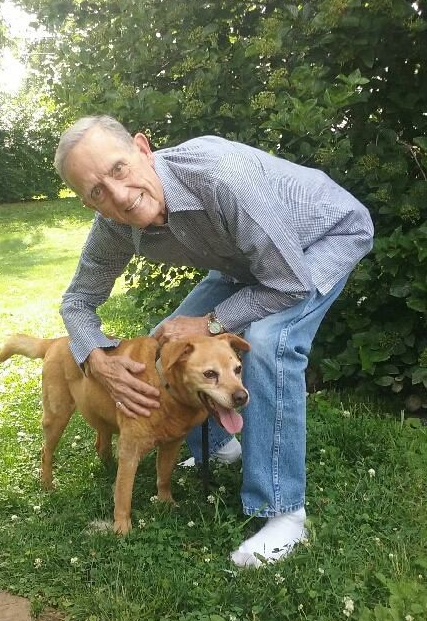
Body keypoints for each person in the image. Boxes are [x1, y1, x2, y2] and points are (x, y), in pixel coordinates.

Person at [54, 115, 374, 567]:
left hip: (323, 240)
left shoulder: (220, 176)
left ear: (143, 149)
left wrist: (212, 321)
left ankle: (284, 512)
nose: (119, 196)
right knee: (166, 339)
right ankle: (217, 445)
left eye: (119, 169)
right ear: (89, 205)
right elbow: (76, 302)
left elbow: (288, 281)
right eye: (96, 192)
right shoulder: (113, 226)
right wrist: (94, 358)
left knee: (267, 340)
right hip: (249, 262)